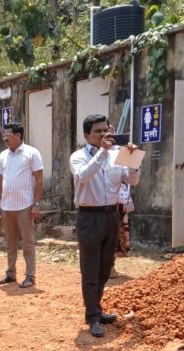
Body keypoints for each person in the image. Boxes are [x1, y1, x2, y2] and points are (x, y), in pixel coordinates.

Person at [70, 114, 140, 337]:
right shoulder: (78, 157)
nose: (103, 135)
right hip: (90, 216)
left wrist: (133, 159)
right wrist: (102, 152)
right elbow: (83, 176)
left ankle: (97, 309)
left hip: (111, 215)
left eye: (106, 130)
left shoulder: (117, 154)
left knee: (105, 267)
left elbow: (133, 180)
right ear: (86, 135)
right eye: (98, 131)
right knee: (90, 267)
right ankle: (92, 316)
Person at [0, 123, 44, 288]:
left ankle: (30, 275)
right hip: (7, 206)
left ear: (18, 136)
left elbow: (39, 179)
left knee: (28, 243)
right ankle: (10, 274)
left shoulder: (32, 153)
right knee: (10, 243)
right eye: (4, 135)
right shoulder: (3, 155)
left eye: (7, 135)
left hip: (25, 205)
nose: (4, 138)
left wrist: (36, 204)